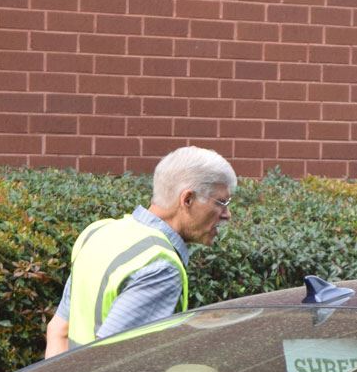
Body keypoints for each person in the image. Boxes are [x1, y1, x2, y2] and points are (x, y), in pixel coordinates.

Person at [44, 146, 236, 357]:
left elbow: (58, 331)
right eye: (221, 202)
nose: (227, 214)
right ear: (187, 199)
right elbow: (109, 362)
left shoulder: (99, 232)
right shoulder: (160, 267)